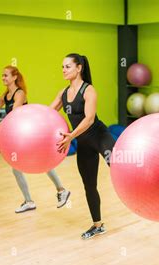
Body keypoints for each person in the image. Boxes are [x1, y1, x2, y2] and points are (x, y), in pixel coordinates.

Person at [0, 65, 70, 213]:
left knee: (41, 162)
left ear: (14, 77)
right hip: (17, 136)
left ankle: (60, 190)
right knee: (17, 168)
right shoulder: (7, 94)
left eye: (6, 75)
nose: (3, 78)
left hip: (28, 135)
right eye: (2, 75)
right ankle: (30, 201)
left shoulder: (20, 94)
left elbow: (12, 117)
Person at [50, 54, 115, 239]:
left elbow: (89, 119)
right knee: (89, 186)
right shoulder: (63, 93)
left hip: (100, 137)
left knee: (120, 167)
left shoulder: (88, 90)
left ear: (79, 68)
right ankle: (98, 225)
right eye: (62, 66)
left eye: (68, 66)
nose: (63, 70)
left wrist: (71, 136)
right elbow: (47, 113)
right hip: (84, 144)